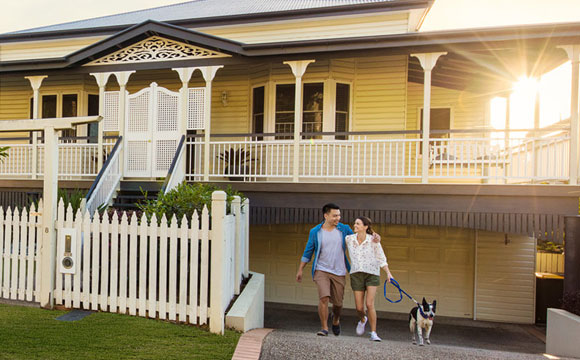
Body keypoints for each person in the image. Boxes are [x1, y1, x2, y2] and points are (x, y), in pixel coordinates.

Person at [296, 203, 380, 336]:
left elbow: (360, 236)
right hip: (321, 269)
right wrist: (300, 270)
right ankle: (324, 328)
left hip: (339, 270)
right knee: (324, 297)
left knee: (338, 304)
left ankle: (335, 319)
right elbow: (308, 251)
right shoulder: (316, 231)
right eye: (335, 216)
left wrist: (374, 236)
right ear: (326, 215)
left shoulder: (344, 229)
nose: (338, 218)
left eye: (339, 215)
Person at [346, 216, 393, 342]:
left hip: (372, 274)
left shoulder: (373, 240)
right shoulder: (349, 239)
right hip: (356, 274)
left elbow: (381, 257)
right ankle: (362, 320)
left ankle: (373, 333)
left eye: (358, 224)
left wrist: (388, 273)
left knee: (369, 304)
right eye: (355, 223)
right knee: (359, 308)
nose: (355, 225)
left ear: (365, 227)